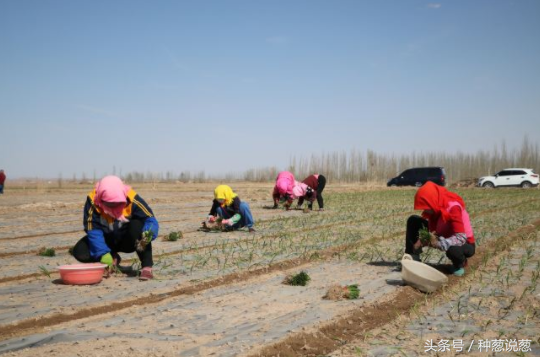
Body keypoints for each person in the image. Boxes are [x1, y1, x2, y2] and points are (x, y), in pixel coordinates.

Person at [73, 175, 159, 280]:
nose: (113, 207)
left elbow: (149, 218)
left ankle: (146, 267)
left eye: (117, 203)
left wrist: (150, 231)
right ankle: (112, 258)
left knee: (137, 226)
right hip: (106, 239)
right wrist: (102, 253)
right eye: (109, 204)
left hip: (127, 240)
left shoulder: (132, 199)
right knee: (79, 251)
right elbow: (93, 229)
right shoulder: (93, 201)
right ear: (101, 198)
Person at [404, 181, 475, 276]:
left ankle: (459, 264)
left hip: (464, 242)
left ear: (431, 201)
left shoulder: (453, 208)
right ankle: (412, 257)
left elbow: (460, 237)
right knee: (413, 220)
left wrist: (436, 243)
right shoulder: (436, 208)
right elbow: (435, 230)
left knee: (453, 250)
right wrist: (424, 239)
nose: (424, 210)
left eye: (426, 207)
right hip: (444, 233)